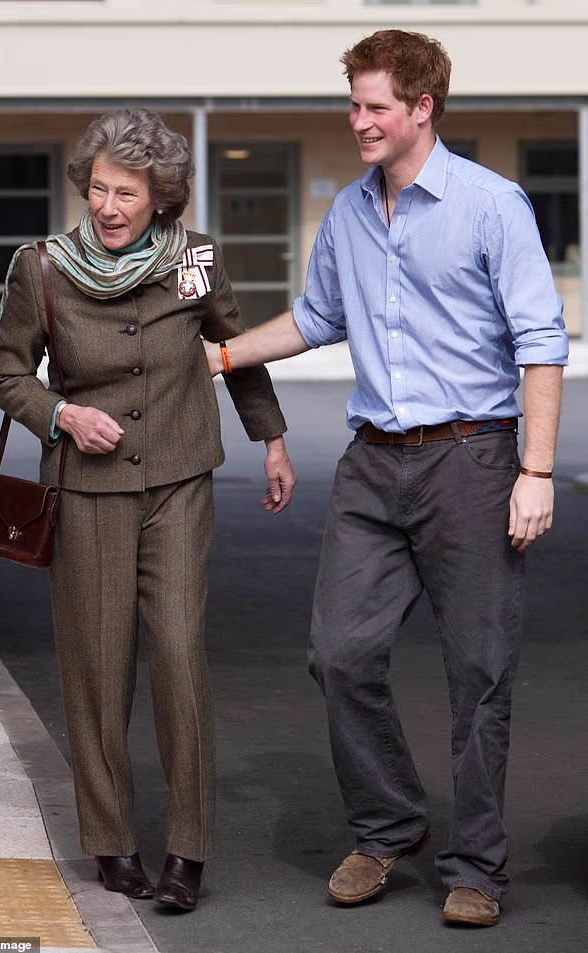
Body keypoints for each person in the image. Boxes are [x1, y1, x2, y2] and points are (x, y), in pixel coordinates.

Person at [203, 30, 568, 927]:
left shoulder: (492, 204)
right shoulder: (351, 212)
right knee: (339, 653)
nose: (358, 121)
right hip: (373, 464)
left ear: (421, 108)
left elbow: (541, 343)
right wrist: (221, 355)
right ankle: (390, 823)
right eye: (353, 104)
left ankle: (476, 865)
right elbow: (317, 315)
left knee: (479, 671)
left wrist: (536, 469)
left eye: (374, 107)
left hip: (473, 459)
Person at [0, 108, 295, 912]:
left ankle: (188, 849)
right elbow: (6, 373)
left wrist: (273, 439)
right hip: (86, 493)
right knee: (97, 666)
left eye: (127, 192)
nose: (109, 206)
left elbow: (233, 350)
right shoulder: (42, 269)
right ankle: (112, 840)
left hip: (179, 482)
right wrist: (61, 414)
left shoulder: (194, 260)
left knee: (180, 656)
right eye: (98, 188)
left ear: (161, 197)